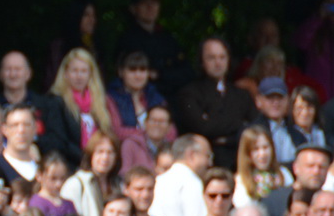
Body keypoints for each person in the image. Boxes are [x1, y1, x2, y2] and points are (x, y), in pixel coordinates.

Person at [173, 37, 256, 170]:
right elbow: (202, 128)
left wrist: (220, 131)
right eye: (211, 58)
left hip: (241, 162)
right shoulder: (189, 93)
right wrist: (240, 124)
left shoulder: (242, 94)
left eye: (222, 57)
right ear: (201, 61)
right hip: (207, 165)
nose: (218, 63)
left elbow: (254, 127)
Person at [0, 50, 77, 163]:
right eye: (8, 69)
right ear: (0, 74)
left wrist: (32, 143)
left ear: (28, 74)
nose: (13, 74)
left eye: (17, 69)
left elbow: (58, 141)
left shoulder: (47, 105)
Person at [45, 48, 119, 152]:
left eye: (84, 71)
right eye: (74, 71)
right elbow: (60, 141)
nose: (79, 76)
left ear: (90, 75)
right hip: (71, 162)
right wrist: (85, 159)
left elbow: (108, 135)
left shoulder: (100, 101)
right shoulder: (56, 102)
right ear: (65, 74)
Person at [148, 134, 210, 216]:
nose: (209, 163)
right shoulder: (192, 183)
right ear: (191, 155)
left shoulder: (158, 181)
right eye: (207, 156)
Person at [61, 132, 121, 216]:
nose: (105, 157)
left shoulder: (118, 185)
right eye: (100, 152)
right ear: (91, 155)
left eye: (110, 152)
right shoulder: (75, 184)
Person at [107, 50, 168, 131]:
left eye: (142, 70)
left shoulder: (156, 97)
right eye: (132, 70)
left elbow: (170, 131)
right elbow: (117, 131)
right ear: (121, 72)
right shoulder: (111, 98)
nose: (138, 75)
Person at [118, 103, 176, 175]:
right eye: (153, 120)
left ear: (169, 127)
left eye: (162, 121)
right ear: (145, 123)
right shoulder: (130, 144)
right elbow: (124, 173)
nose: (157, 124)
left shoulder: (174, 148)